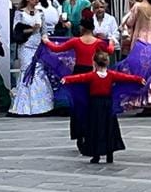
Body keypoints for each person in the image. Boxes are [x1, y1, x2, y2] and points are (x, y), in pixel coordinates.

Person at [42, 15, 115, 147]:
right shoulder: (98, 42)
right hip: (92, 74)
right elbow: (110, 50)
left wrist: (46, 41)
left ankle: (79, 133)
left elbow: (57, 48)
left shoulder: (75, 41)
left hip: (79, 73)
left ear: (82, 27)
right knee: (91, 104)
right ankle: (91, 132)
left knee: (78, 104)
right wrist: (111, 41)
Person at [63, 51, 145, 164]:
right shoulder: (111, 75)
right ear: (107, 63)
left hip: (95, 105)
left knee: (95, 128)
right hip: (108, 105)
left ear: (94, 64)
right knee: (109, 128)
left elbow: (79, 77)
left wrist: (66, 79)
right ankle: (109, 154)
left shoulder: (92, 75)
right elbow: (126, 77)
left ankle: (96, 155)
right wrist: (138, 79)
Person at [9, 0, 54, 116]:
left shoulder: (40, 13)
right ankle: (25, 105)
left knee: (39, 72)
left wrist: (48, 43)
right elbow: (16, 31)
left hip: (38, 46)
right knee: (27, 71)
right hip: (26, 46)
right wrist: (31, 29)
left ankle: (42, 105)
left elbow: (44, 31)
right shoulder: (20, 13)